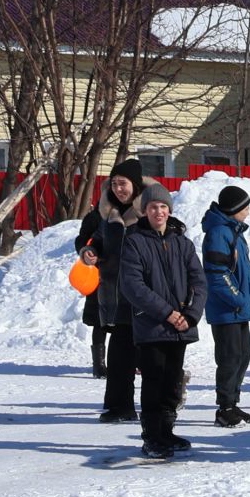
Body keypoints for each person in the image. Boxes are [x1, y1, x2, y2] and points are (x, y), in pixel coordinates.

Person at [117, 182, 204, 459]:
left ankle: (166, 431)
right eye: (153, 207)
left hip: (180, 327)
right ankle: (152, 436)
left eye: (163, 207)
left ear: (170, 210)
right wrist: (167, 312)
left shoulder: (182, 242)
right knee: (153, 381)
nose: (159, 212)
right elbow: (133, 286)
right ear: (144, 211)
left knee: (173, 382)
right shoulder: (134, 241)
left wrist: (190, 315)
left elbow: (199, 282)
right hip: (152, 325)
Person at [76, 158, 145, 423]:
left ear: (135, 185)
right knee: (118, 357)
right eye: (114, 183)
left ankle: (163, 406)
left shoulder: (150, 211)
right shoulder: (106, 214)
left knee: (150, 358)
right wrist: (90, 252)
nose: (118, 188)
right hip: (115, 295)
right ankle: (119, 407)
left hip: (143, 296)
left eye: (123, 183)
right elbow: (96, 242)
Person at [201, 183, 250, 428]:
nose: (248, 211)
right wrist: (238, 298)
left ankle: (233, 404)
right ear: (234, 209)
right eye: (245, 207)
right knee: (229, 358)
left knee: (242, 355)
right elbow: (216, 274)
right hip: (226, 309)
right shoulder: (218, 233)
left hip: (238, 308)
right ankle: (224, 408)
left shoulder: (233, 231)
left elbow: (242, 270)